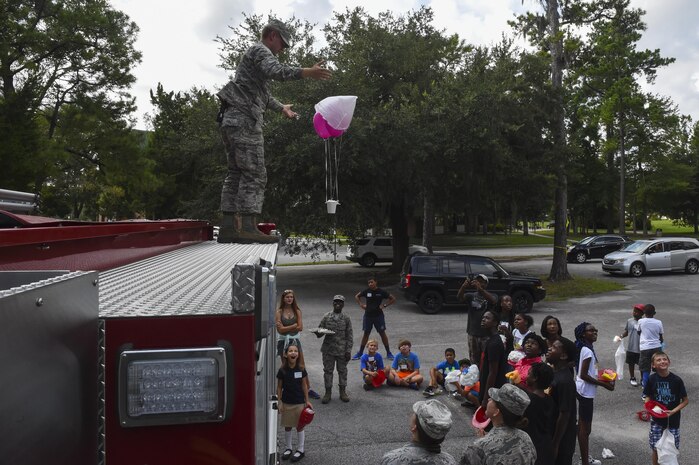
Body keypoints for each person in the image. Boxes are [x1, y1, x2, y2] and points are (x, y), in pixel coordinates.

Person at [216, 19, 332, 243]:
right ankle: (248, 228)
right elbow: (277, 71)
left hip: (231, 120)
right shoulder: (260, 50)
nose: (282, 49)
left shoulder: (253, 61)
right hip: (245, 121)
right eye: (282, 43)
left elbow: (262, 95)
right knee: (255, 172)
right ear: (272, 35)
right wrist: (308, 72)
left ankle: (228, 228)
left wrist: (282, 108)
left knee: (236, 173)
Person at [460, 384, 537, 465]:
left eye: (493, 399)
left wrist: (485, 441)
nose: (489, 399)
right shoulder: (526, 438)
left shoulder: (478, 448)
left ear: (496, 411)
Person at [574, 322, 615, 465]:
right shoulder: (587, 350)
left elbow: (588, 371)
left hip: (583, 389)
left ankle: (584, 458)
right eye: (591, 330)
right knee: (585, 429)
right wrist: (604, 384)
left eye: (596, 330)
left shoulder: (586, 348)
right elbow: (584, 374)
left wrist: (604, 376)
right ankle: (585, 461)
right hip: (585, 392)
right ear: (583, 334)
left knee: (583, 427)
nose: (595, 332)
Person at [642, 352, 689, 465]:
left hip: (673, 422)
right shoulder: (652, 379)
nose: (662, 361)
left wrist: (673, 411)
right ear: (653, 365)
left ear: (669, 362)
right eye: (658, 360)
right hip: (656, 421)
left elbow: (685, 401)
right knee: (655, 448)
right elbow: (647, 396)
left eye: (664, 359)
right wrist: (648, 409)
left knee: (671, 449)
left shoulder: (677, 380)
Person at [381, 399, 456, 465]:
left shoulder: (391, 459)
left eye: (415, 414)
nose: (412, 414)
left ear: (414, 427)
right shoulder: (450, 461)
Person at [275, 289, 320, 399]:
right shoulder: (279, 312)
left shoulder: (297, 311)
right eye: (287, 297)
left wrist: (287, 328)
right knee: (286, 366)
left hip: (295, 341)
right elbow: (280, 330)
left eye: (291, 297)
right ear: (283, 299)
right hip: (283, 342)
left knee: (301, 365)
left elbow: (300, 327)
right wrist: (293, 326)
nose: (289, 299)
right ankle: (285, 388)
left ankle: (308, 388)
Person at [277, 344, 312, 462]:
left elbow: (304, 385)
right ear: (286, 355)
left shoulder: (301, 368)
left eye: (295, 351)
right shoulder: (282, 370)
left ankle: (301, 450)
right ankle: (288, 448)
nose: (293, 353)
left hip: (299, 402)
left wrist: (307, 401)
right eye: (290, 351)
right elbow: (279, 387)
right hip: (287, 402)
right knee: (287, 426)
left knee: (299, 426)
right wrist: (279, 401)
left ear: (298, 354)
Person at [316, 295, 353, 404]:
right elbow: (319, 332)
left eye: (340, 302)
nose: (338, 304)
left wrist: (348, 350)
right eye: (336, 302)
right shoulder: (326, 316)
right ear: (333, 303)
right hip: (328, 349)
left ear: (343, 304)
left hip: (342, 350)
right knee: (328, 371)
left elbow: (349, 335)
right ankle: (328, 392)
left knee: (342, 371)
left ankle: (343, 392)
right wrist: (318, 332)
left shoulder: (346, 318)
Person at [547, 337, 578, 465]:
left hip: (562, 439)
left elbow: (564, 414)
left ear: (564, 355)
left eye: (554, 347)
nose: (549, 349)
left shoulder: (565, 381)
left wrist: (555, 443)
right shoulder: (554, 373)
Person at [457, 274, 498, 364]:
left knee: (486, 358)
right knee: (474, 358)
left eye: (482, 282)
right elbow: (459, 298)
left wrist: (481, 290)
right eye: (477, 281)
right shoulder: (471, 296)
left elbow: (493, 301)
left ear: (486, 284)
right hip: (473, 333)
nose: (479, 283)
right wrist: (463, 286)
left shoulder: (492, 295)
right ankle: (476, 375)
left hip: (486, 334)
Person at [353, 277, 397, 360]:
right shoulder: (366, 291)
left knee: (382, 333)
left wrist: (384, 305)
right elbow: (357, 296)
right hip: (368, 316)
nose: (370, 284)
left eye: (372, 282)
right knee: (366, 334)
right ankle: (360, 353)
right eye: (369, 283)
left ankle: (388, 353)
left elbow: (393, 298)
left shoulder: (381, 292)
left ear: (376, 282)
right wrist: (361, 304)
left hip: (378, 316)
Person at [523, 362, 555, 465]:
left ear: (535, 378)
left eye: (529, 374)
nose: (526, 376)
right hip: (546, 446)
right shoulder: (550, 400)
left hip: (531, 447)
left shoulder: (527, 401)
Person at [478, 310, 508, 408]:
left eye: (487, 318)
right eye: (483, 317)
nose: (483, 320)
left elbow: (493, 372)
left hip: (492, 390)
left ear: (495, 323)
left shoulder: (494, 344)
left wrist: (486, 398)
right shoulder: (491, 339)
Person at [637, 304, 664, 388]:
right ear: (654, 313)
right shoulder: (659, 322)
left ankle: (645, 392)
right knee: (658, 368)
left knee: (645, 370)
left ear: (644, 312)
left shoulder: (641, 321)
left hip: (645, 348)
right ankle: (659, 386)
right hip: (656, 347)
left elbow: (638, 332)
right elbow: (661, 337)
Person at [618, 303, 644, 386]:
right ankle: (632, 377)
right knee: (631, 363)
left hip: (641, 347)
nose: (635, 313)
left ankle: (643, 379)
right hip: (631, 346)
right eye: (634, 311)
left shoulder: (643, 322)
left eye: (637, 312)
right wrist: (621, 336)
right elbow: (627, 331)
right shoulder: (629, 321)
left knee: (641, 365)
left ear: (642, 314)